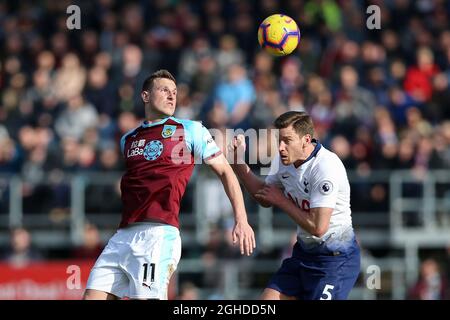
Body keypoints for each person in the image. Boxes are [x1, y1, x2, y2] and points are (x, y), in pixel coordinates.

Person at [83, 69, 255, 300]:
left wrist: (241, 219)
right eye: (164, 90)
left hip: (158, 235)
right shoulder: (129, 139)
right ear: (145, 96)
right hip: (122, 235)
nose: (172, 96)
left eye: (174, 92)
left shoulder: (190, 130)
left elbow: (226, 171)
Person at [227, 111, 360, 300]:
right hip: (303, 255)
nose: (280, 147)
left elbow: (318, 227)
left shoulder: (325, 167)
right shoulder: (284, 161)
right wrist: (238, 163)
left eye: (287, 140)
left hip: (334, 261)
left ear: (306, 139)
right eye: (278, 140)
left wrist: (282, 200)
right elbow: (264, 197)